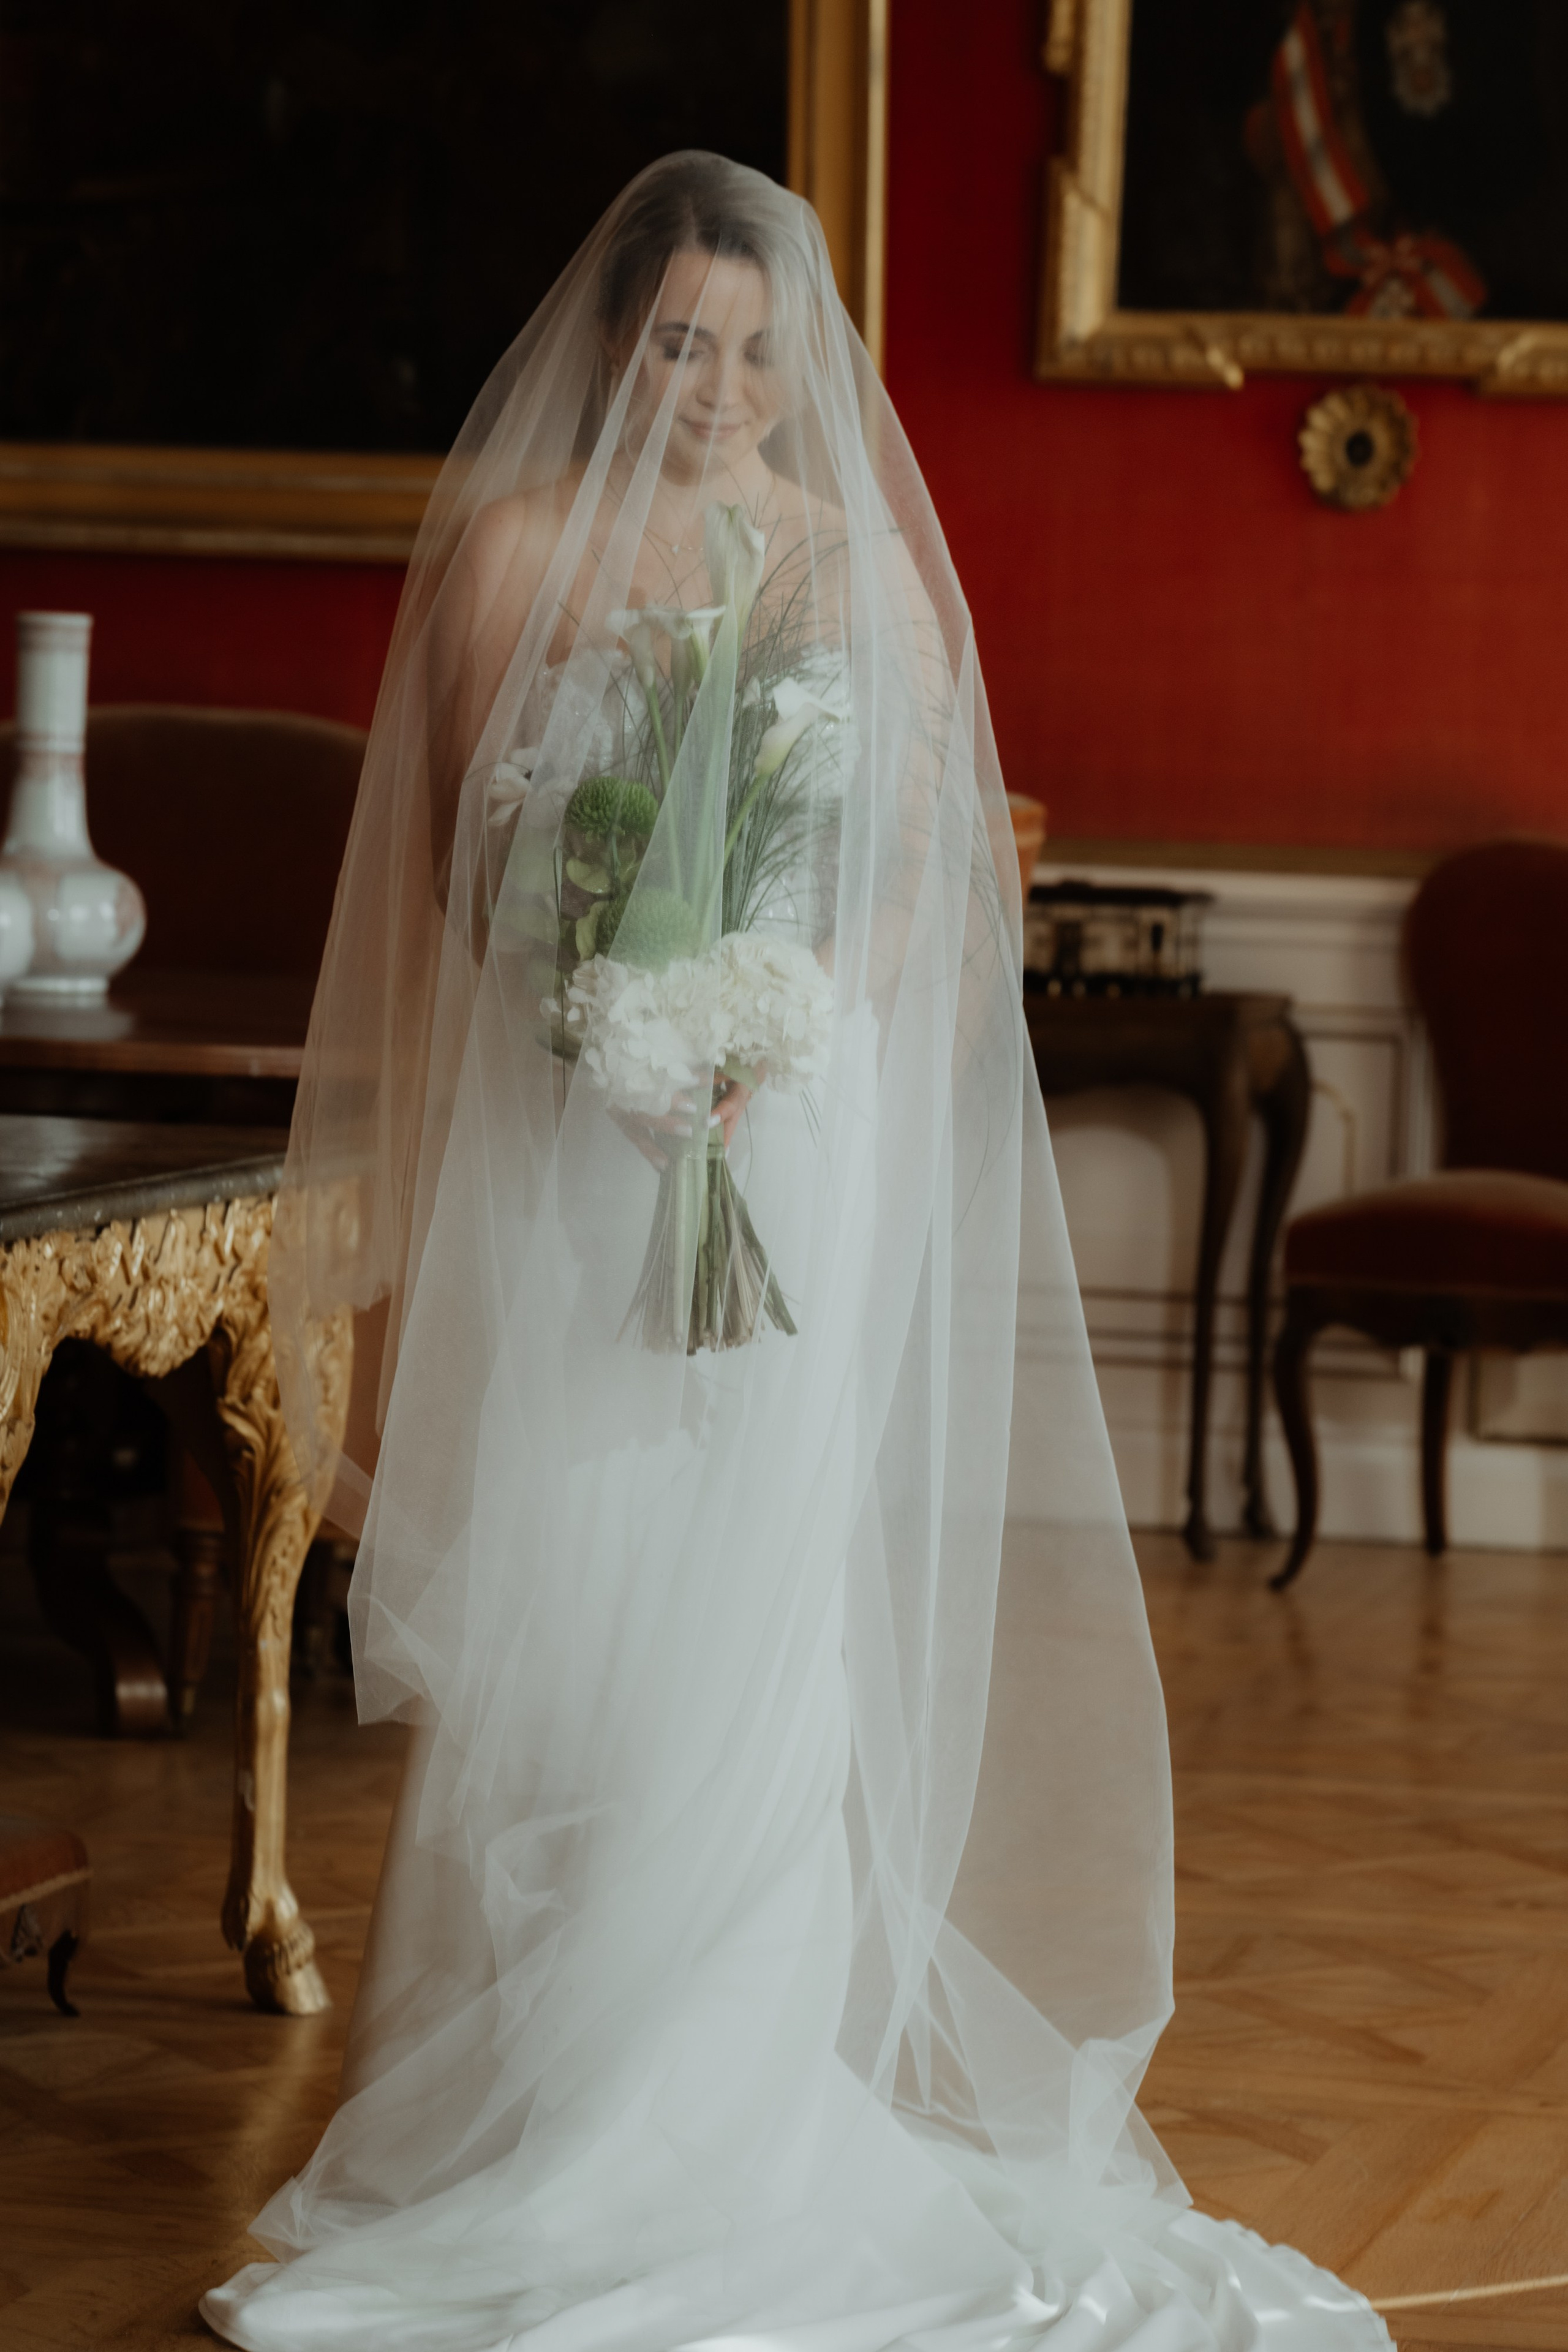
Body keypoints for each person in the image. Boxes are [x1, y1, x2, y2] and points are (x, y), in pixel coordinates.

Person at [202, 153, 1392, 2352]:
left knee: (750, 1623)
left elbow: (932, 874)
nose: (723, 388)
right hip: (581, 1142)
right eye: (681, 343)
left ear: (804, 362)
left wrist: (770, 1027)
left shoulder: (862, 571)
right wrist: (604, 1026)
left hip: (791, 1131)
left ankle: (722, 2113)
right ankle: (540, 2101)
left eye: (760, 349)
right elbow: (463, 868)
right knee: (581, 1608)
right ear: (615, 344)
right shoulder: (509, 557)